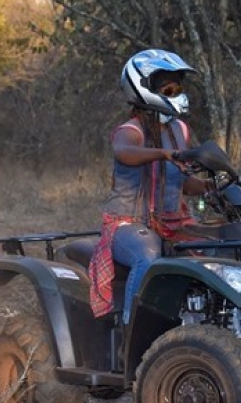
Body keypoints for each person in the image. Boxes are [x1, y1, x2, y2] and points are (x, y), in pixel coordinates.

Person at [89, 49, 210, 323]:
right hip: (126, 224)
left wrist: (209, 187)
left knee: (218, 247)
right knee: (148, 255)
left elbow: (182, 182)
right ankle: (132, 331)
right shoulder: (130, 131)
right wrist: (162, 153)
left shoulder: (179, 129)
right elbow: (124, 152)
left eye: (178, 86)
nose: (176, 92)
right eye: (168, 87)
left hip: (173, 222)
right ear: (142, 88)